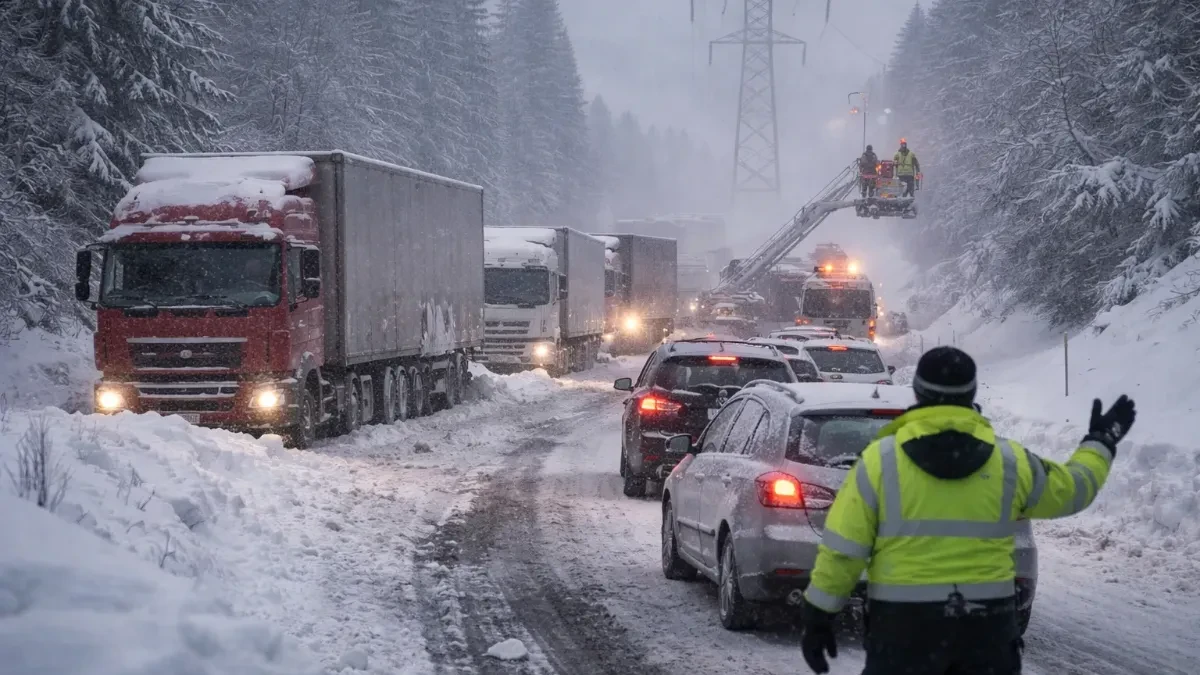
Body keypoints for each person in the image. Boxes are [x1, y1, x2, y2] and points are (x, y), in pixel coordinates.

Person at [799, 346, 1136, 675]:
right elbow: (1075, 489)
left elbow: (843, 551)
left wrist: (819, 615)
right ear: (972, 394)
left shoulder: (879, 461)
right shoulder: (1011, 463)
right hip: (987, 635)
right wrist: (1102, 440)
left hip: (902, 635)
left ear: (917, 393)